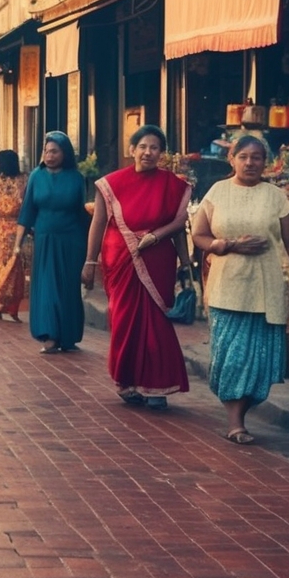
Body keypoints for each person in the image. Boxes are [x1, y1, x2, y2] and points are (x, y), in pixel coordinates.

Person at [191, 135, 289, 444]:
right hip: (226, 288)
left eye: (256, 157)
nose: (249, 162)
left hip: (266, 288)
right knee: (230, 359)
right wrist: (227, 245)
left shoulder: (276, 197)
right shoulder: (218, 192)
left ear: (265, 162)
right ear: (231, 160)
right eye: (243, 156)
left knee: (259, 362)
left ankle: (239, 417)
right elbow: (199, 235)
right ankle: (235, 422)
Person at [81, 124, 191, 410]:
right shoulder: (111, 183)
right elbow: (98, 223)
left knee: (156, 322)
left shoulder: (173, 185)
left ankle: (156, 386)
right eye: (142, 146)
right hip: (120, 260)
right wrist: (90, 262)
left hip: (159, 260)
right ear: (131, 150)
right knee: (124, 320)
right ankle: (127, 382)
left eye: (154, 147)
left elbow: (180, 227)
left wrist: (186, 264)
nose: (148, 152)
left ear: (162, 153)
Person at [13, 133, 89, 353]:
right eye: (46, 151)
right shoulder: (36, 176)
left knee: (67, 287)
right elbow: (27, 210)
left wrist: (91, 251)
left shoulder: (76, 178)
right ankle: (49, 335)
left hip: (71, 240)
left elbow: (81, 213)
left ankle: (68, 335)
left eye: (54, 151)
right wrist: (17, 244)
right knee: (46, 286)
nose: (49, 155)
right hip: (44, 239)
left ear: (64, 153)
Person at [0, 149, 28, 322]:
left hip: (1, 230)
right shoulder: (24, 180)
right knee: (16, 269)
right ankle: (12, 307)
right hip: (19, 229)